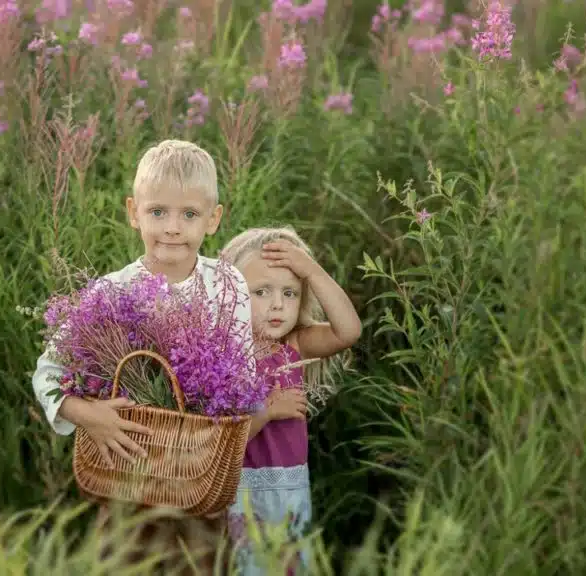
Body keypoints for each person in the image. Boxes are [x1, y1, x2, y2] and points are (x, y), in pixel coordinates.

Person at [31, 139, 256, 572]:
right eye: (158, 212)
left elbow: (242, 379)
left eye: (189, 215)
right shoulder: (111, 291)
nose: (173, 227)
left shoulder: (226, 285)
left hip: (198, 479)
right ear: (133, 212)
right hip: (126, 472)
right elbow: (48, 372)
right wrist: (87, 414)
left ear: (213, 220)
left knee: (200, 562)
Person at [219, 226, 362, 575]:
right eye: (262, 292)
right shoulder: (223, 355)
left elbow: (349, 331)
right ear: (231, 293)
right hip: (241, 491)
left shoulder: (293, 347)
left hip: (290, 491)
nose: (278, 304)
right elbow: (219, 439)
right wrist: (268, 411)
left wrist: (311, 270)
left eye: (290, 292)